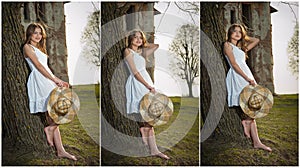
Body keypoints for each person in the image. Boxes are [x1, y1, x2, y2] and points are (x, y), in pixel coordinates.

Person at [23, 23, 77, 160]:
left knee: (54, 114)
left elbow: (46, 68)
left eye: (40, 33)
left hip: (47, 79)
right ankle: (50, 129)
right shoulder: (27, 47)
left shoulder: (40, 48)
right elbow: (39, 66)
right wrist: (54, 80)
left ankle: (60, 150)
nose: (38, 36)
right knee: (57, 111)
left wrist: (58, 80)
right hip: (39, 80)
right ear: (29, 33)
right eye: (35, 32)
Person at [223, 23, 272, 152]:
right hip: (239, 76)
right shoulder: (227, 45)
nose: (237, 34)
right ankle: (246, 123)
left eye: (239, 32)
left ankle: (256, 141)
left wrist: (245, 36)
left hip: (247, 75)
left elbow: (256, 40)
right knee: (247, 105)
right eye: (234, 31)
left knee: (253, 108)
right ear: (230, 33)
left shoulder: (241, 48)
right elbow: (233, 64)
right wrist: (247, 78)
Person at [123, 29, 170, 160]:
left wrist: (145, 42)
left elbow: (156, 46)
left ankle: (154, 150)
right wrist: (147, 85)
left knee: (151, 114)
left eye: (140, 38)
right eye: (135, 37)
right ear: (130, 39)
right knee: (144, 112)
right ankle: (145, 133)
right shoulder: (128, 51)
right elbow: (135, 72)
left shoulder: (141, 53)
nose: (138, 40)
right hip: (138, 82)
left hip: (146, 81)